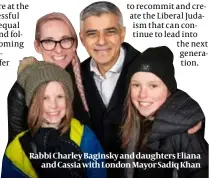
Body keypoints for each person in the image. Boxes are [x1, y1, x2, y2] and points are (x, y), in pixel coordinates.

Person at [74, 2, 203, 177]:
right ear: (82, 38)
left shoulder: (145, 66)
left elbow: (169, 94)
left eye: (110, 31)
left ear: (122, 34)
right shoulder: (72, 77)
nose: (101, 41)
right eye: (92, 34)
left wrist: (188, 113)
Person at [2, 61, 106, 178]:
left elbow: (98, 173)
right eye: (44, 98)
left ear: (68, 99)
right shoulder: (16, 150)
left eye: (60, 97)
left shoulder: (84, 135)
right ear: (33, 103)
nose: (54, 105)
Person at [121, 46, 208, 178]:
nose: (142, 95)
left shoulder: (186, 132)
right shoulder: (136, 123)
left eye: (153, 86)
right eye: (136, 85)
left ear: (169, 89)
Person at [7, 12, 89, 143]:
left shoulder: (90, 77)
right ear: (37, 46)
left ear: (75, 44)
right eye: (49, 41)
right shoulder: (22, 89)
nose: (58, 50)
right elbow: (15, 148)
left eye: (66, 40)